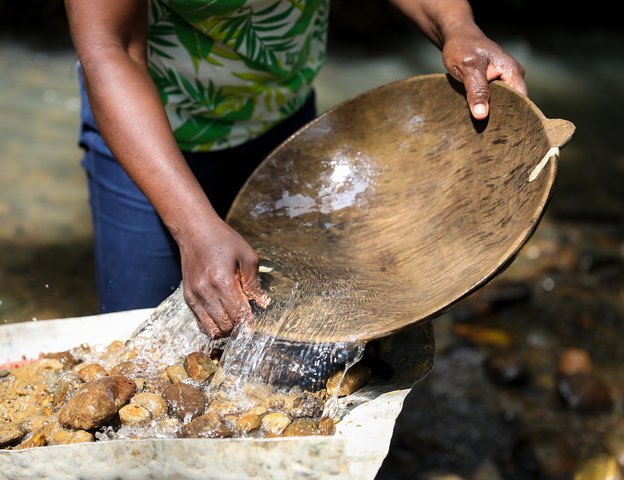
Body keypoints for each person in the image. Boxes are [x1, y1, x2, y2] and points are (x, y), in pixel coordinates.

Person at [63, 0, 527, 339]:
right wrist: (193, 226)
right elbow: (111, 47)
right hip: (152, 142)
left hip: (285, 123)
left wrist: (456, 25)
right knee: (146, 349)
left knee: (305, 333)